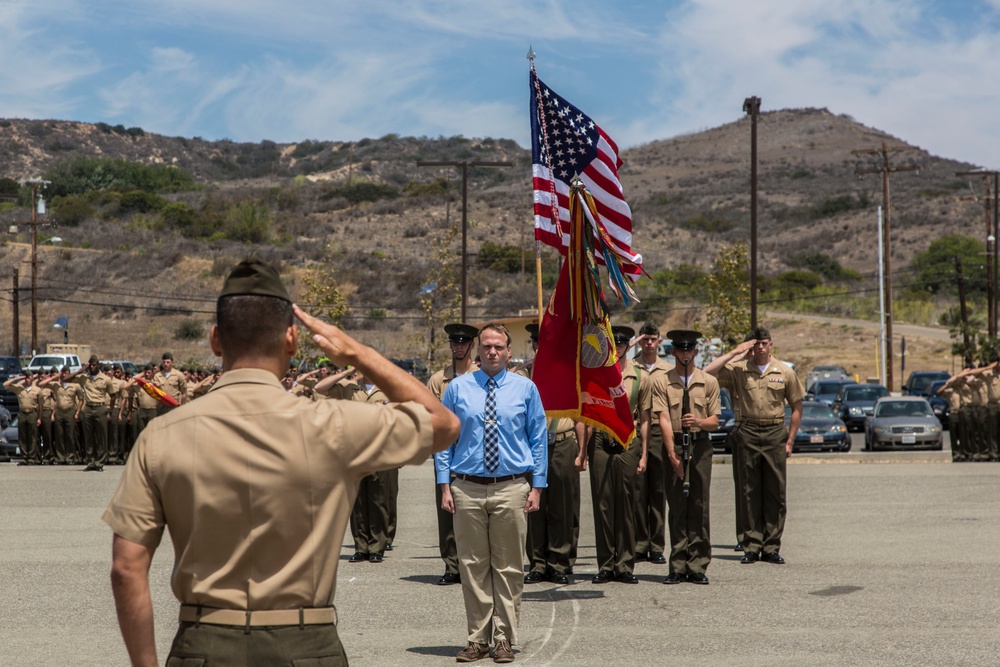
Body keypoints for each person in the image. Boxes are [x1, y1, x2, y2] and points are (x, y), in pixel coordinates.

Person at [103, 258, 460, 667]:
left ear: (216, 340)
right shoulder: (334, 424)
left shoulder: (162, 435)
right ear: (292, 339)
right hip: (306, 645)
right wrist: (357, 353)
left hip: (203, 644)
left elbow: (126, 569)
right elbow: (444, 424)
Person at [436, 323, 547, 664]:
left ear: (509, 351)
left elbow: (538, 438)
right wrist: (444, 484)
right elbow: (444, 439)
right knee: (472, 567)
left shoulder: (525, 389)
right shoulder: (457, 389)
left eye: (499, 347)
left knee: (509, 567)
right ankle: (477, 639)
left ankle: (504, 639)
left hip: (512, 487)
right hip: (466, 487)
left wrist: (537, 486)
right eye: (486, 346)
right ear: (477, 350)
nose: (493, 352)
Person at [705, 325, 803, 565]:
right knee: (748, 491)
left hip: (773, 432)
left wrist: (789, 440)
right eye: (755, 343)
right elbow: (707, 372)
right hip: (747, 431)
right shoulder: (739, 370)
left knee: (775, 492)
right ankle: (751, 545)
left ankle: (771, 546)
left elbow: (797, 407)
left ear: (770, 344)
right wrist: (735, 352)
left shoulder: (784, 371)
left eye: (764, 343)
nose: (760, 347)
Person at [646, 330, 720, 585]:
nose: (685, 353)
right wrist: (671, 454)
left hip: (700, 447)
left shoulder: (708, 381)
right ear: (674, 352)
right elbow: (663, 419)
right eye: (680, 349)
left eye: (689, 349)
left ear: (696, 352)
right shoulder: (662, 381)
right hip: (675, 445)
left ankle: (698, 565)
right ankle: (677, 565)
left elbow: (715, 421)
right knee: (676, 506)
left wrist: (699, 421)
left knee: (699, 506)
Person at [581, 325, 647, 585]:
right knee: (603, 503)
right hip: (599, 437)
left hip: (627, 437)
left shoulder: (639, 376)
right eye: (613, 343)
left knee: (626, 503)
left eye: (622, 343)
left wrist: (643, 455)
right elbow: (587, 415)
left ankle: (625, 565)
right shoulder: (596, 374)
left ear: (628, 346)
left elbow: (644, 417)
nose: (617, 347)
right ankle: (606, 564)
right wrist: (582, 452)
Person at [522, 322, 584, 585]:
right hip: (533, 446)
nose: (540, 348)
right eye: (537, 343)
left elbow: (581, 416)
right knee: (535, 505)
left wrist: (582, 451)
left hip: (562, 442)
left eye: (545, 343)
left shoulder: (568, 374)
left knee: (561, 505)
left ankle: (558, 561)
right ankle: (537, 562)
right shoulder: (522, 377)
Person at [426, 322, 479, 586]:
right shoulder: (439, 379)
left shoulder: (481, 375)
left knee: (475, 510)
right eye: (455, 343)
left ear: (472, 345)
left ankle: (475, 564)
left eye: (463, 342)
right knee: (447, 510)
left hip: (474, 450)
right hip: (447, 450)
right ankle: (452, 565)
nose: (458, 347)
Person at [632, 322, 673, 564]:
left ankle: (656, 545)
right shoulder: (629, 367)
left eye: (653, 339)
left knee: (658, 490)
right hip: (634, 431)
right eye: (644, 339)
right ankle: (639, 544)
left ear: (659, 341)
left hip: (659, 431)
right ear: (639, 340)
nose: (649, 343)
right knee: (638, 492)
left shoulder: (668, 370)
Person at [68, 357, 117, 471]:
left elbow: (113, 395)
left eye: (94, 365)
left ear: (98, 365)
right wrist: (80, 371)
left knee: (101, 436)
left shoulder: (105, 379)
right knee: (88, 436)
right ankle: (91, 462)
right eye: (90, 365)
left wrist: (109, 410)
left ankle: (100, 462)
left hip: (100, 408)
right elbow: (66, 379)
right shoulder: (84, 378)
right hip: (88, 408)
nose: (91, 367)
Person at [3, 371, 42, 465]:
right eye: (26, 377)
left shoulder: (37, 390)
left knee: (32, 436)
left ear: (32, 378)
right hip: (22, 414)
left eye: (29, 377)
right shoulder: (19, 389)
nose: (28, 379)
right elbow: (6, 384)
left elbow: (40, 405)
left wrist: (39, 418)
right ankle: (24, 458)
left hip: (32, 413)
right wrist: (17, 378)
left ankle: (32, 458)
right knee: (23, 437)